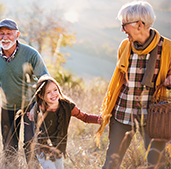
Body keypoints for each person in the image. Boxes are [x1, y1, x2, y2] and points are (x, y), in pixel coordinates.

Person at [96, 1, 171, 168]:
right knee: (111, 162)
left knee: (156, 163)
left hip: (153, 117)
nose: (122, 30)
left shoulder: (167, 48)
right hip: (123, 112)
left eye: (124, 25)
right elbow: (119, 80)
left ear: (139, 25)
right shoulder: (125, 45)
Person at [0, 18, 49, 162]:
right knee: (9, 146)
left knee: (30, 144)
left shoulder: (31, 54)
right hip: (7, 106)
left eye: (9, 33)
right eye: (1, 33)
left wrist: (37, 105)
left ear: (17, 35)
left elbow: (45, 80)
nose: (5, 37)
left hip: (30, 105)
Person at [27, 75, 101, 169]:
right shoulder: (39, 108)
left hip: (59, 149)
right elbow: (35, 106)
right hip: (43, 151)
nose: (53, 94)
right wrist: (33, 109)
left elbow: (84, 117)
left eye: (55, 90)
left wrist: (99, 119)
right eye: (48, 92)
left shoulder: (67, 107)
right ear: (41, 96)